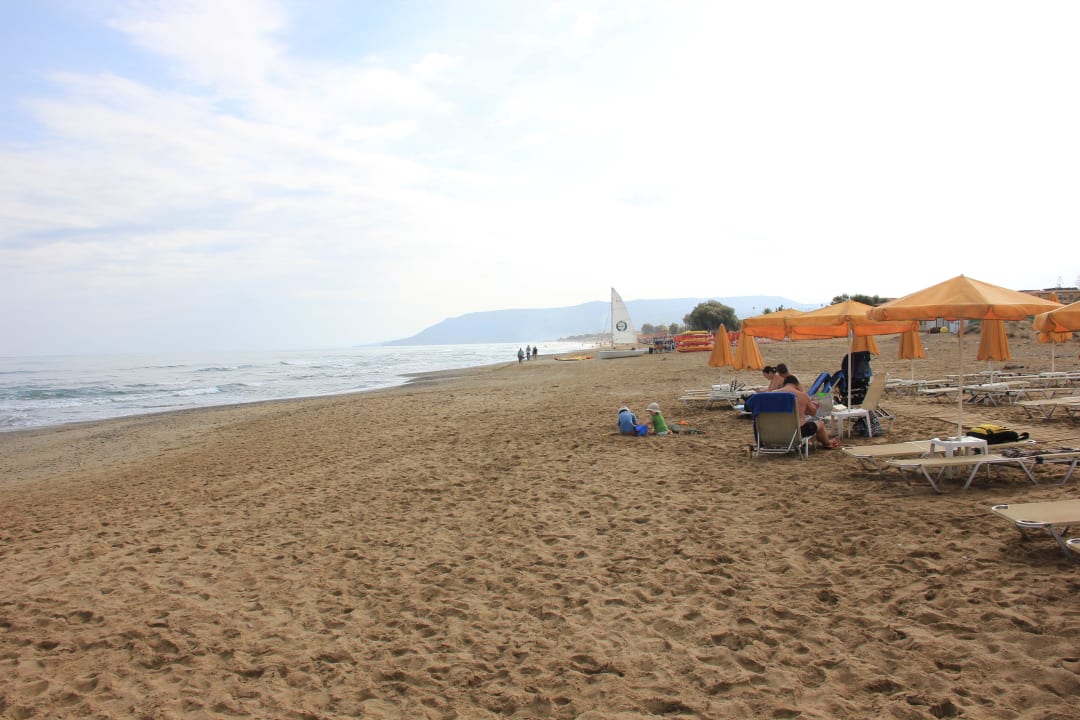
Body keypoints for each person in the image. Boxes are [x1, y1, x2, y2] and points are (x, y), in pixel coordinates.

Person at [775, 375, 839, 448]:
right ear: (797, 384)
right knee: (820, 423)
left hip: (774, 432)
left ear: (784, 384)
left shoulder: (771, 394)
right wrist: (812, 404)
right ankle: (827, 443)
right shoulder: (801, 395)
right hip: (796, 432)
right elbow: (813, 413)